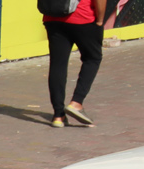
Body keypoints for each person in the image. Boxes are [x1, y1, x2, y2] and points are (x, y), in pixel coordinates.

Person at [45, 0, 105, 128]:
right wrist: (99, 20)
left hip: (53, 17)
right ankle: (76, 103)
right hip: (83, 17)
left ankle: (58, 115)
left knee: (57, 64)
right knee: (93, 58)